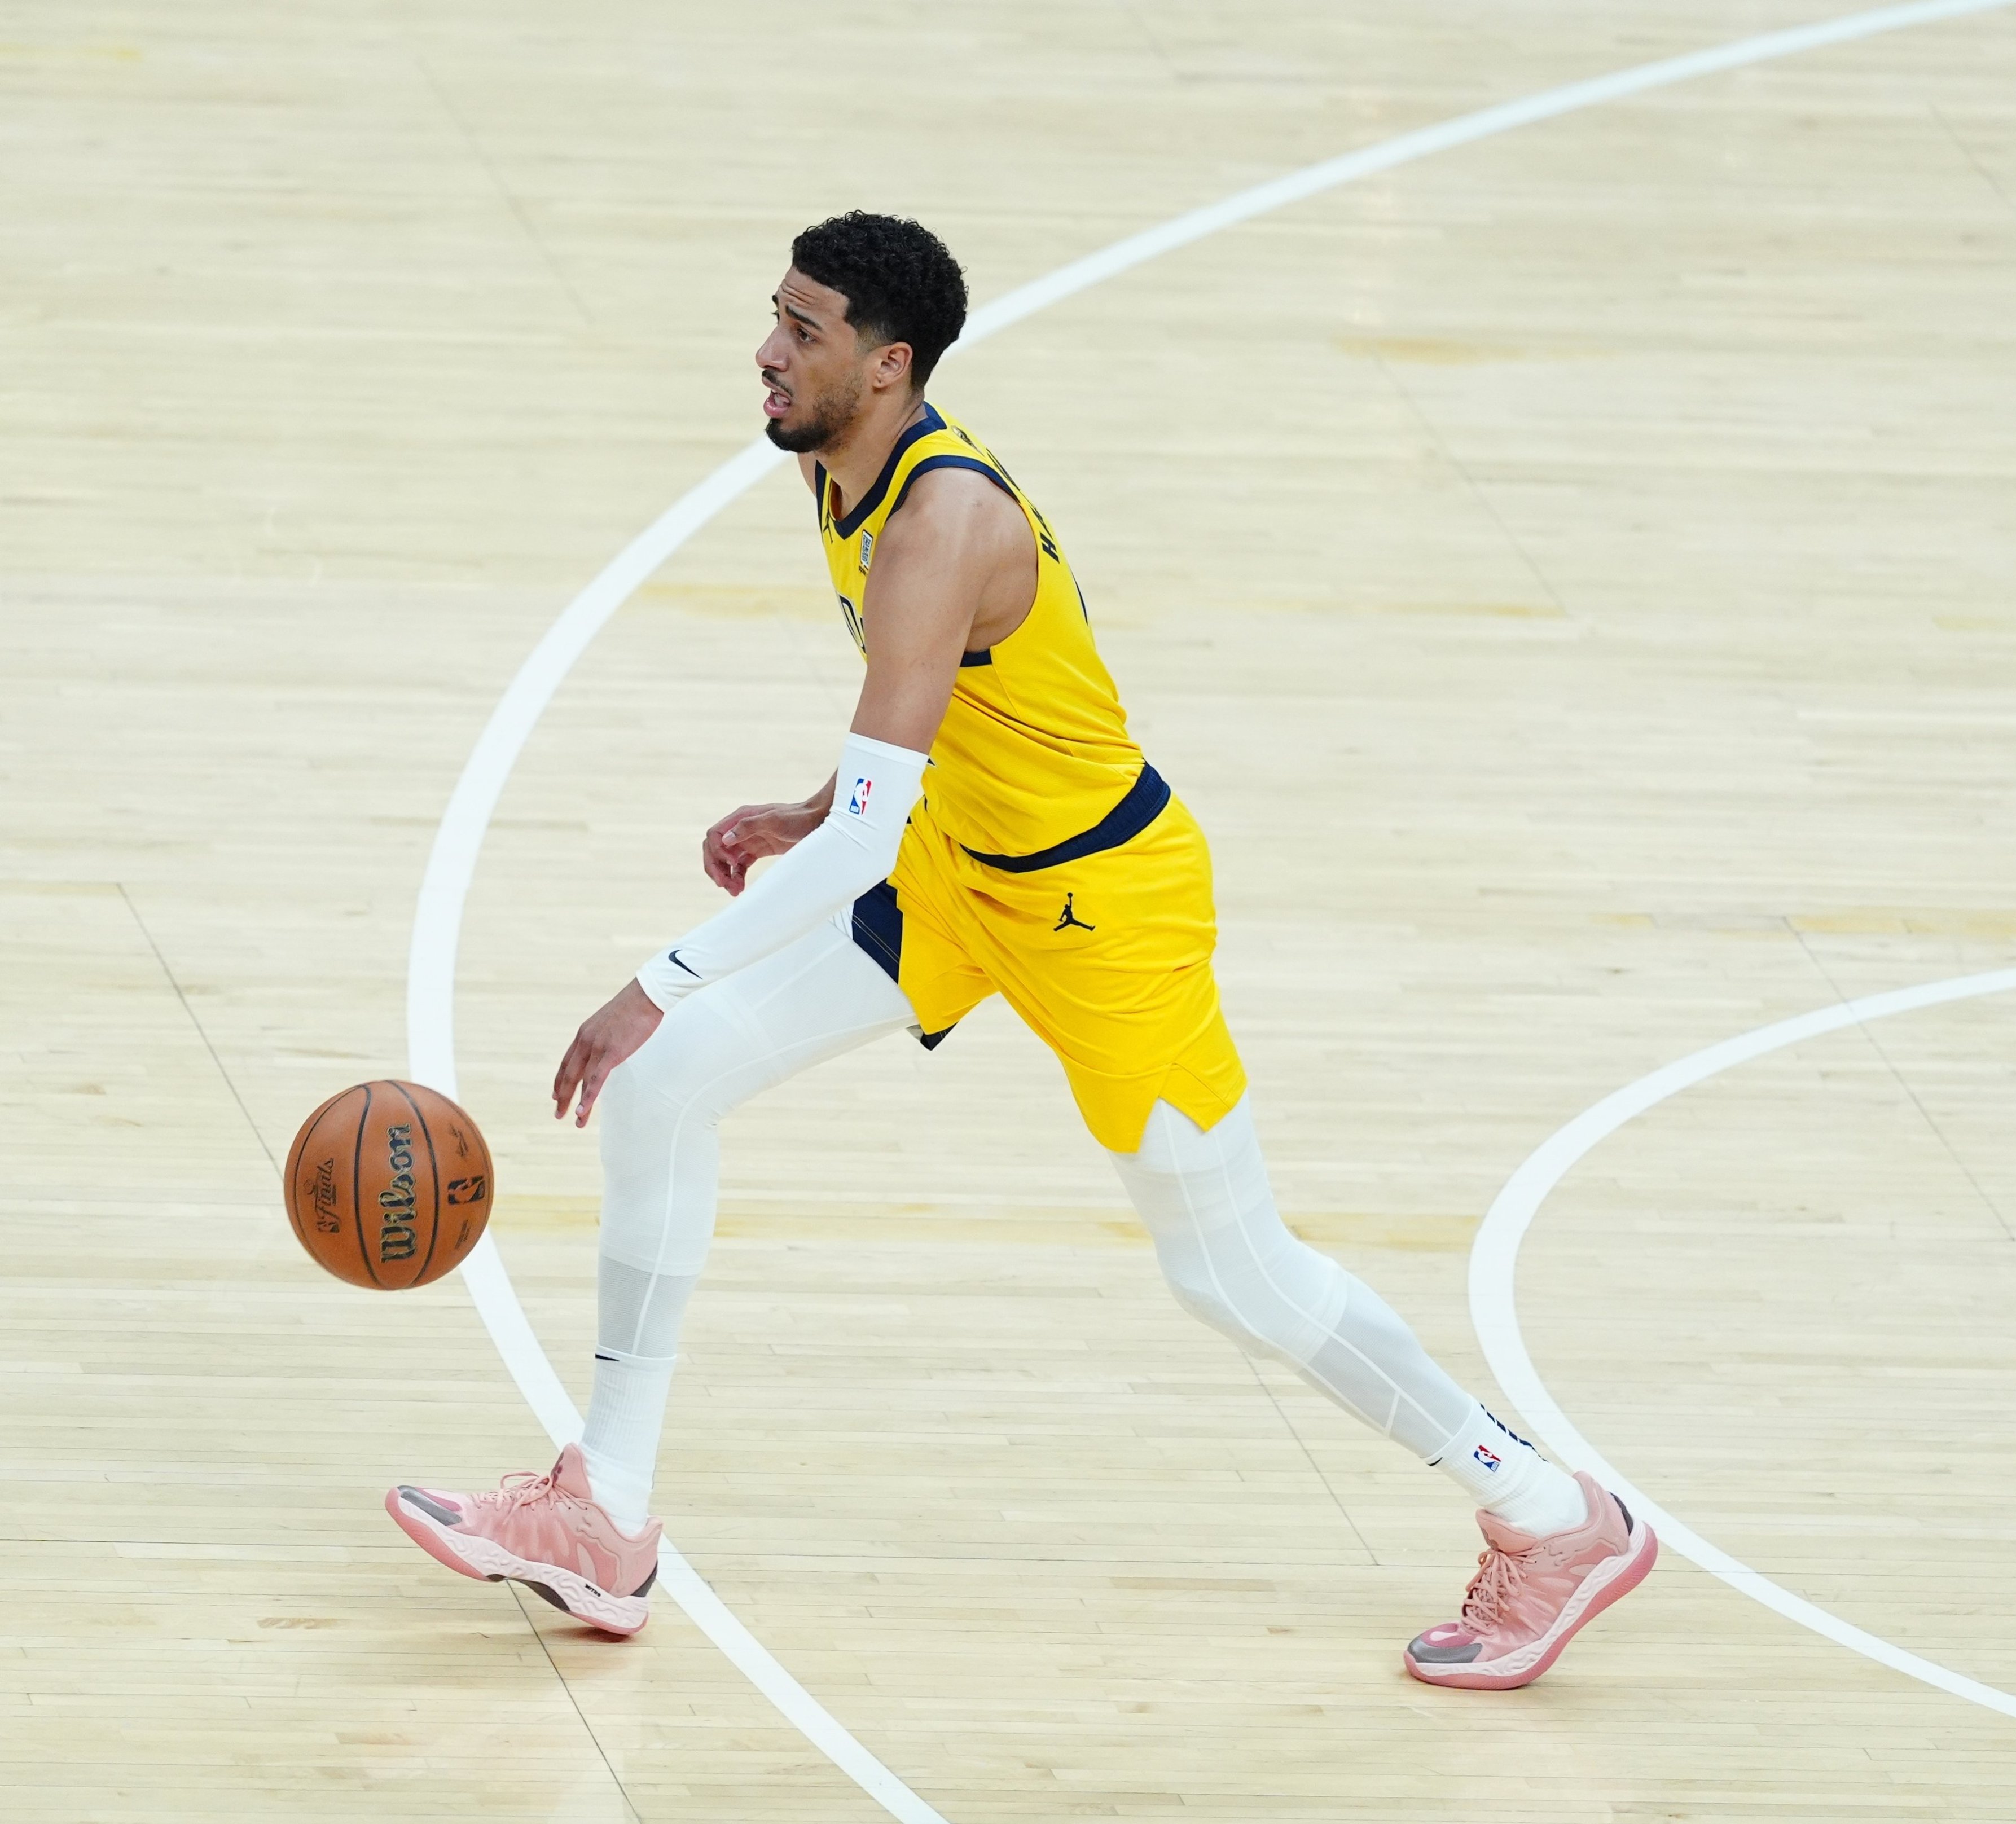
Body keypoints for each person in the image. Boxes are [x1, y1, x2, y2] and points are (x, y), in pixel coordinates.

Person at [385, 212, 1655, 1688]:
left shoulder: (942, 519)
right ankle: (601, 1513)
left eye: (802, 329)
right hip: (962, 872)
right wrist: (814, 805)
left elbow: (872, 833)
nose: (768, 350)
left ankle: (1552, 1515)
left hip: (1105, 909)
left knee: (1231, 1273)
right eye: (775, 315)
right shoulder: (831, 460)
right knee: (667, 1090)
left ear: (889, 362)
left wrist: (652, 981)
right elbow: (926, 720)